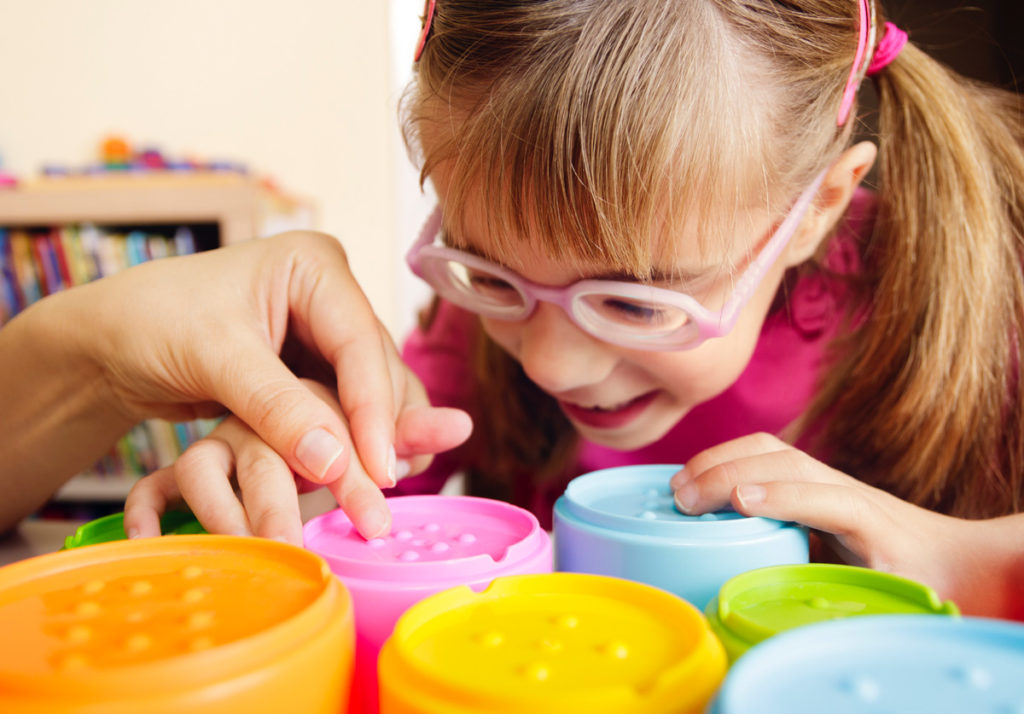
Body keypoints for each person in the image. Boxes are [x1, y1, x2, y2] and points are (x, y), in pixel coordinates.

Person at [128, 0, 1024, 618]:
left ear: (818, 208)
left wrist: (968, 555)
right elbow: (388, 462)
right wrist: (307, 457)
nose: (551, 364)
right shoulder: (472, 334)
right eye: (487, 272)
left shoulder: (987, 286)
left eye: (636, 302)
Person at [0, 231, 472, 542]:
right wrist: (311, 416)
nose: (546, 364)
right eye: (489, 273)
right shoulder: (455, 348)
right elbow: (380, 506)